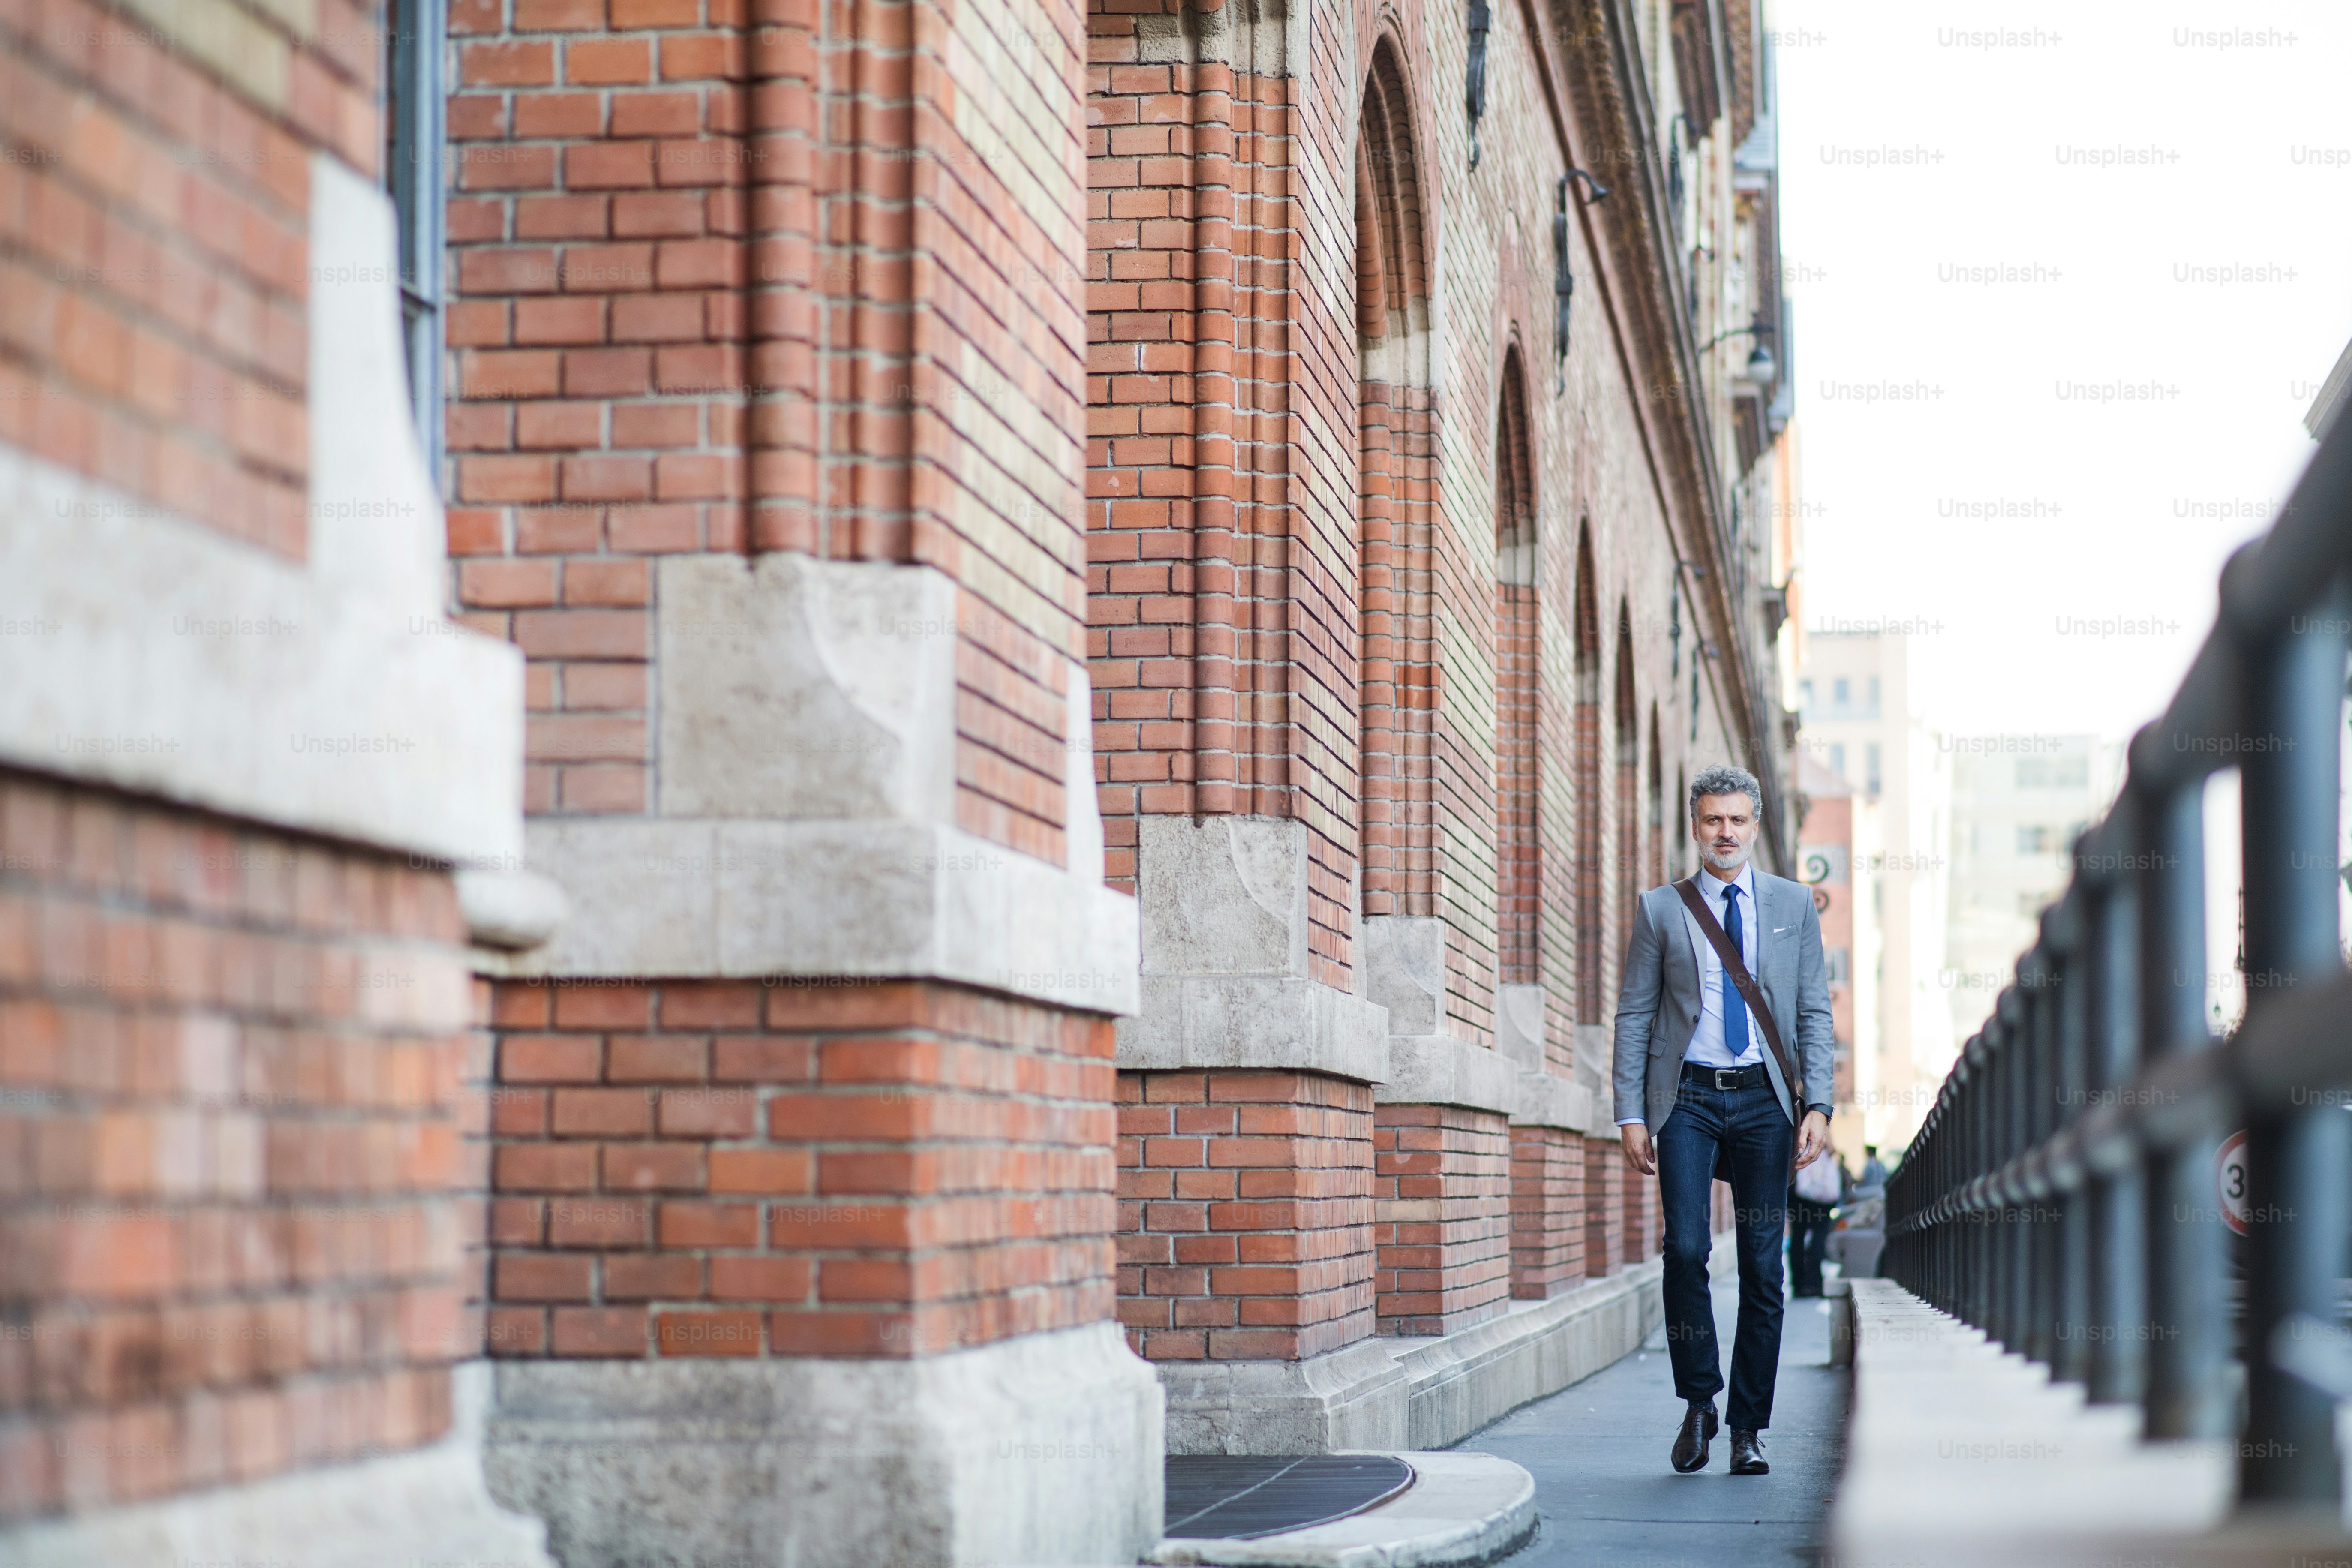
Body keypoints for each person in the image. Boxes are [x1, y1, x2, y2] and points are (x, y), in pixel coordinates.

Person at [1613, 764, 1837, 1476]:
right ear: (1695, 824)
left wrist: (1820, 1103)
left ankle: (1746, 1425)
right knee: (1684, 1249)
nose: (1725, 832)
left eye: (1737, 819)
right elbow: (1634, 1014)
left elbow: (1812, 1010)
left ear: (1755, 823)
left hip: (1765, 1105)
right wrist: (1628, 1111)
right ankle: (1699, 1397)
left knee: (1763, 1269)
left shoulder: (1793, 904)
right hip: (1687, 1100)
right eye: (1713, 819)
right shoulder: (1659, 909)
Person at [1787, 1147, 1842, 1298]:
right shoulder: (1820, 1122)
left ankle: (1798, 1285)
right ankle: (1813, 1283)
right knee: (1819, 1236)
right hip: (1820, 1198)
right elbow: (1830, 1147)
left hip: (1796, 1187)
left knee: (1797, 1237)